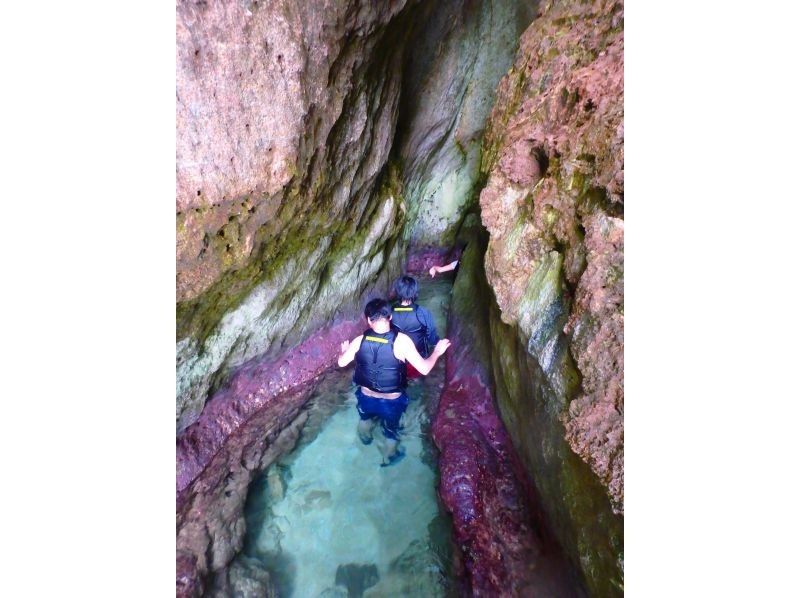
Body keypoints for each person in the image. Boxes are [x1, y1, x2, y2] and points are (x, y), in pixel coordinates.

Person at [338, 298, 451, 466]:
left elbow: (341, 363)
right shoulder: (402, 341)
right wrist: (437, 352)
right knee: (391, 431)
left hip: (365, 397)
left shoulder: (359, 340)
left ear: (368, 320)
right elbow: (425, 369)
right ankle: (389, 456)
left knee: (365, 418)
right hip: (391, 402)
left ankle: (365, 438)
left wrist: (345, 351)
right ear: (390, 317)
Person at [390, 276, 439, 378]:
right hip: (419, 360)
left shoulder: (389, 312)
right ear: (415, 292)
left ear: (397, 292)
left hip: (396, 362)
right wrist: (436, 344)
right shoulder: (423, 312)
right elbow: (431, 337)